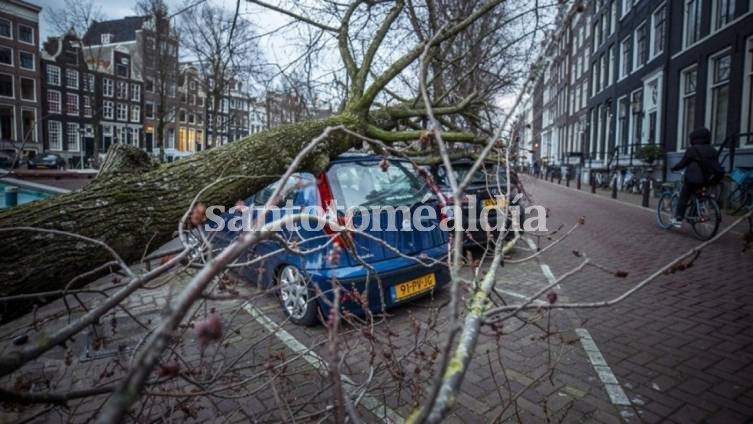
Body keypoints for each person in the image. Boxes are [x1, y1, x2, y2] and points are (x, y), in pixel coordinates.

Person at [669, 128, 720, 228]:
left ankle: (678, 219)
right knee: (699, 194)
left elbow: (683, 163)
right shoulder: (713, 149)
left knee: (684, 197)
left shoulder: (693, 149)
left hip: (694, 179)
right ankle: (695, 212)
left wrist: (673, 168)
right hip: (709, 179)